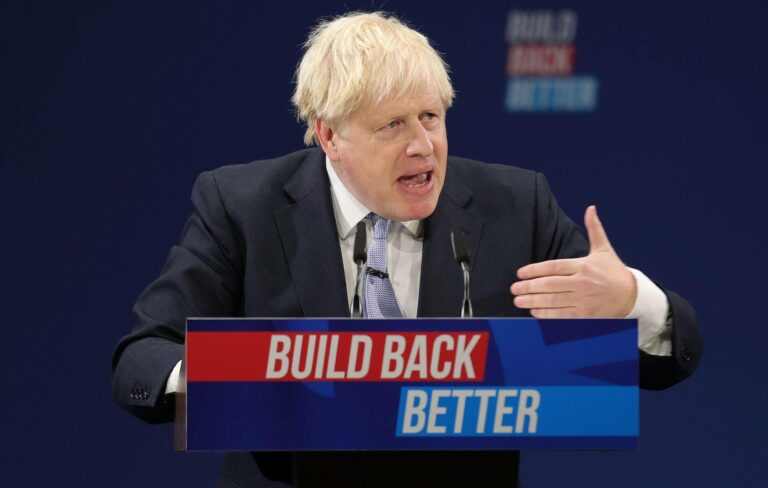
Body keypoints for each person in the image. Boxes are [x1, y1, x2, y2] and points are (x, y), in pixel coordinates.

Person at [112, 11, 701, 487]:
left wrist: (631, 301)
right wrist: (223, 383)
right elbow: (141, 359)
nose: (424, 146)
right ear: (329, 135)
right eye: (392, 126)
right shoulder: (242, 205)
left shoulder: (514, 205)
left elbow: (659, 361)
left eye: (431, 117)